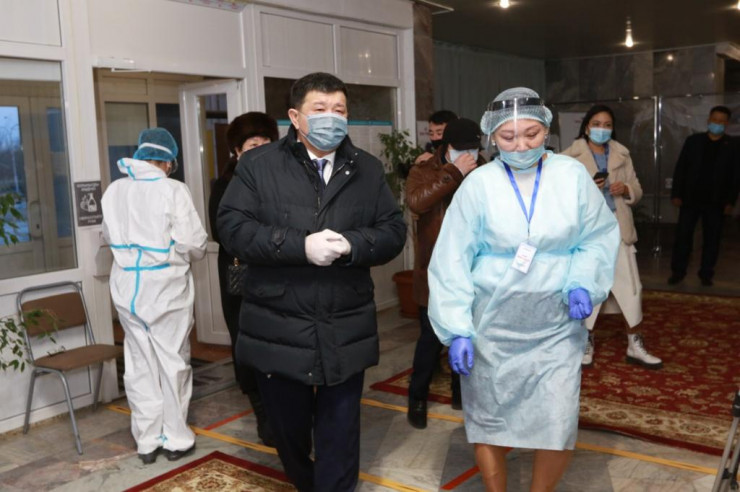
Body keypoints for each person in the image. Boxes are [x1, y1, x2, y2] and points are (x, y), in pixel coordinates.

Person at [217, 72, 406, 492]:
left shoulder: (367, 169)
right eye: (319, 109)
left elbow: (393, 231)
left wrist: (353, 245)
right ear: (295, 117)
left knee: (341, 436)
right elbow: (232, 228)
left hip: (344, 323)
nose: (331, 118)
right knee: (288, 433)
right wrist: (299, 246)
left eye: (339, 110)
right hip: (278, 326)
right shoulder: (258, 166)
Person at [428, 88, 619, 492]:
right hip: (492, 326)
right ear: (491, 137)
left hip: (556, 325)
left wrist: (582, 281)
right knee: (489, 419)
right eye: (508, 137)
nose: (520, 145)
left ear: (546, 129)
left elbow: (597, 237)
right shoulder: (478, 184)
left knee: (557, 418)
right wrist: (456, 327)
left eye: (531, 134)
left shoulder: (571, 176)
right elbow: (452, 259)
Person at [102, 128, 208, 465]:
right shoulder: (172, 189)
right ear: (167, 161)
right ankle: (175, 438)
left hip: (127, 290)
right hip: (165, 291)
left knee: (139, 365)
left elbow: (108, 235)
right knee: (172, 363)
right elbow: (193, 243)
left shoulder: (114, 190)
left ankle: (147, 441)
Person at [561, 105, 662, 369]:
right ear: (586, 127)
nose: (602, 129)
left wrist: (625, 189)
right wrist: (586, 187)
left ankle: (635, 344)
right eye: (597, 124)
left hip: (618, 228)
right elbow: (557, 195)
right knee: (587, 288)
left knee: (631, 289)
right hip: (587, 233)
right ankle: (585, 341)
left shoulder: (621, 154)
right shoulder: (569, 156)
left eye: (607, 125)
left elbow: (637, 189)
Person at [405, 117, 485, 429]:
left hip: (474, 268)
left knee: (468, 335)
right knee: (431, 338)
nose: (469, 154)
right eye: (461, 149)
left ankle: (460, 392)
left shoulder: (486, 168)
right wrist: (453, 172)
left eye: (473, 148)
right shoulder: (424, 169)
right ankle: (417, 397)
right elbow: (416, 202)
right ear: (446, 147)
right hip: (435, 269)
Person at [207, 112, 279, 446]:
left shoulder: (283, 179)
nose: (261, 149)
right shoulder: (225, 185)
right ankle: (262, 411)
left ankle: (284, 407)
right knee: (246, 339)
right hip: (241, 272)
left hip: (278, 272)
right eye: (253, 144)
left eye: (266, 142)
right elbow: (221, 232)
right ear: (237, 150)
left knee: (279, 339)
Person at [668, 106, 739, 287]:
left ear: (727, 124)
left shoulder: (732, 145)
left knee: (712, 239)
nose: (717, 123)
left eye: (721, 121)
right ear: (708, 120)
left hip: (717, 202)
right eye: (714, 120)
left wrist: (730, 201)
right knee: (683, 237)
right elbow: (681, 168)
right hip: (690, 199)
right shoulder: (694, 141)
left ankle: (706, 274)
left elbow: (735, 176)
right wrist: (676, 193)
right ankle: (678, 272)